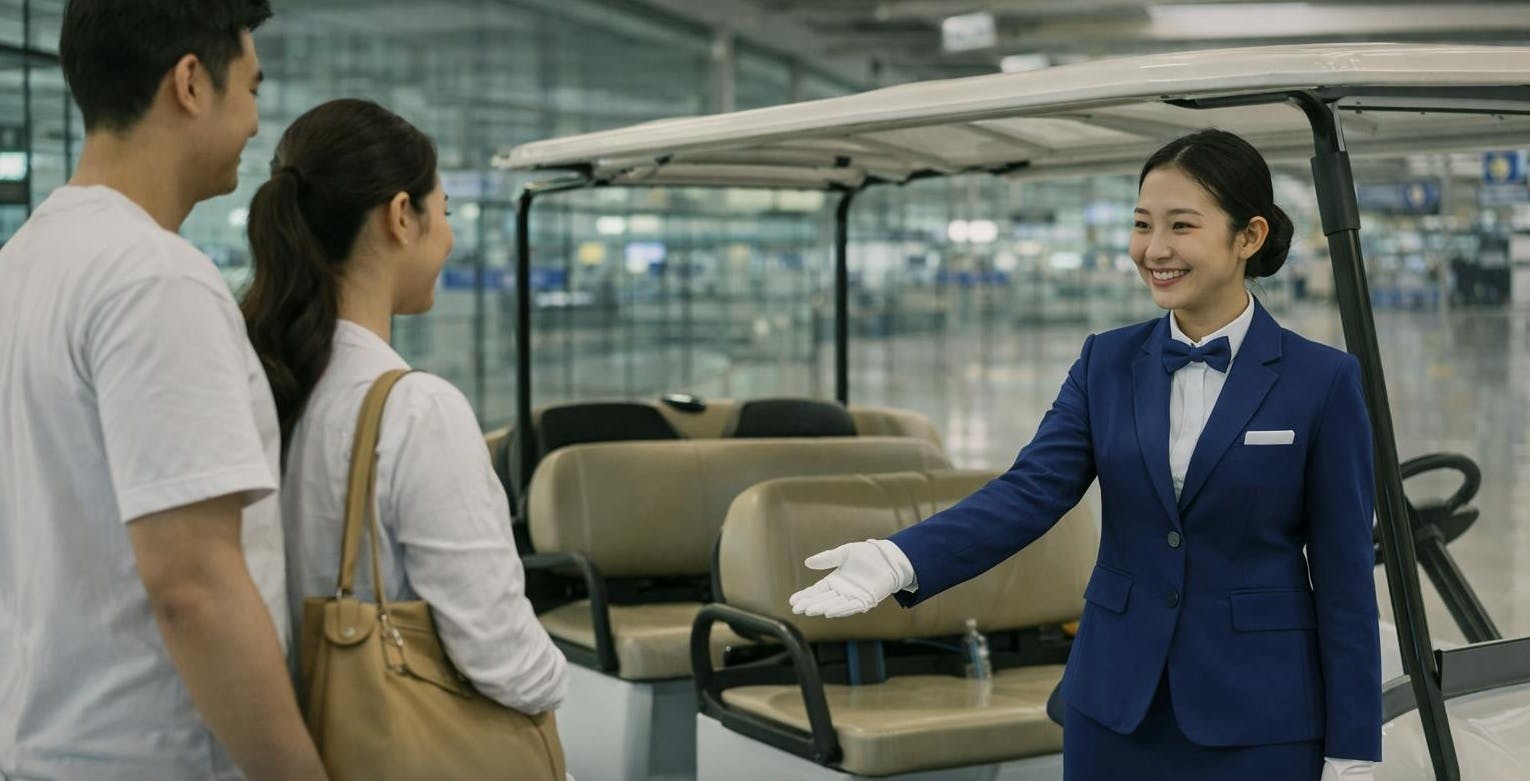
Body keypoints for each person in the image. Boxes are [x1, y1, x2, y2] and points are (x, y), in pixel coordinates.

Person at [790, 129, 1382, 781]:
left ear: (1249, 236)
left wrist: (1353, 744)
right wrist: (897, 558)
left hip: (1259, 715)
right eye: (1141, 224)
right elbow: (1031, 491)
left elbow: (1345, 576)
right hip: (1113, 706)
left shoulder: (1321, 381)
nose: (1154, 249)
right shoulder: (1107, 361)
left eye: (1181, 225)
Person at [0, 2, 327, 779]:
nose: (255, 121)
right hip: (150, 756)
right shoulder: (154, 279)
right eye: (250, 87)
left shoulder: (23, 264)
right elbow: (194, 584)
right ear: (189, 82)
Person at [241, 99, 568, 720]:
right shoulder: (417, 410)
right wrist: (556, 681)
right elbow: (502, 657)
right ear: (400, 216)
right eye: (443, 213)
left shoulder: (262, 378)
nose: (447, 238)